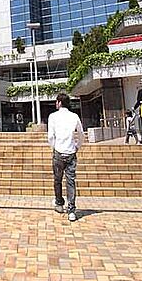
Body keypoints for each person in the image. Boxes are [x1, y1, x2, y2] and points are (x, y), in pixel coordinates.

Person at [48, 93, 84, 222]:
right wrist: (77, 146)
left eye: (56, 102)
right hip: (71, 152)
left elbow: (50, 136)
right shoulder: (74, 116)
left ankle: (59, 203)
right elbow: (81, 134)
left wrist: (54, 147)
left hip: (58, 152)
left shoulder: (53, 116)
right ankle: (71, 210)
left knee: (57, 179)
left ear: (59, 102)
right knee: (70, 181)